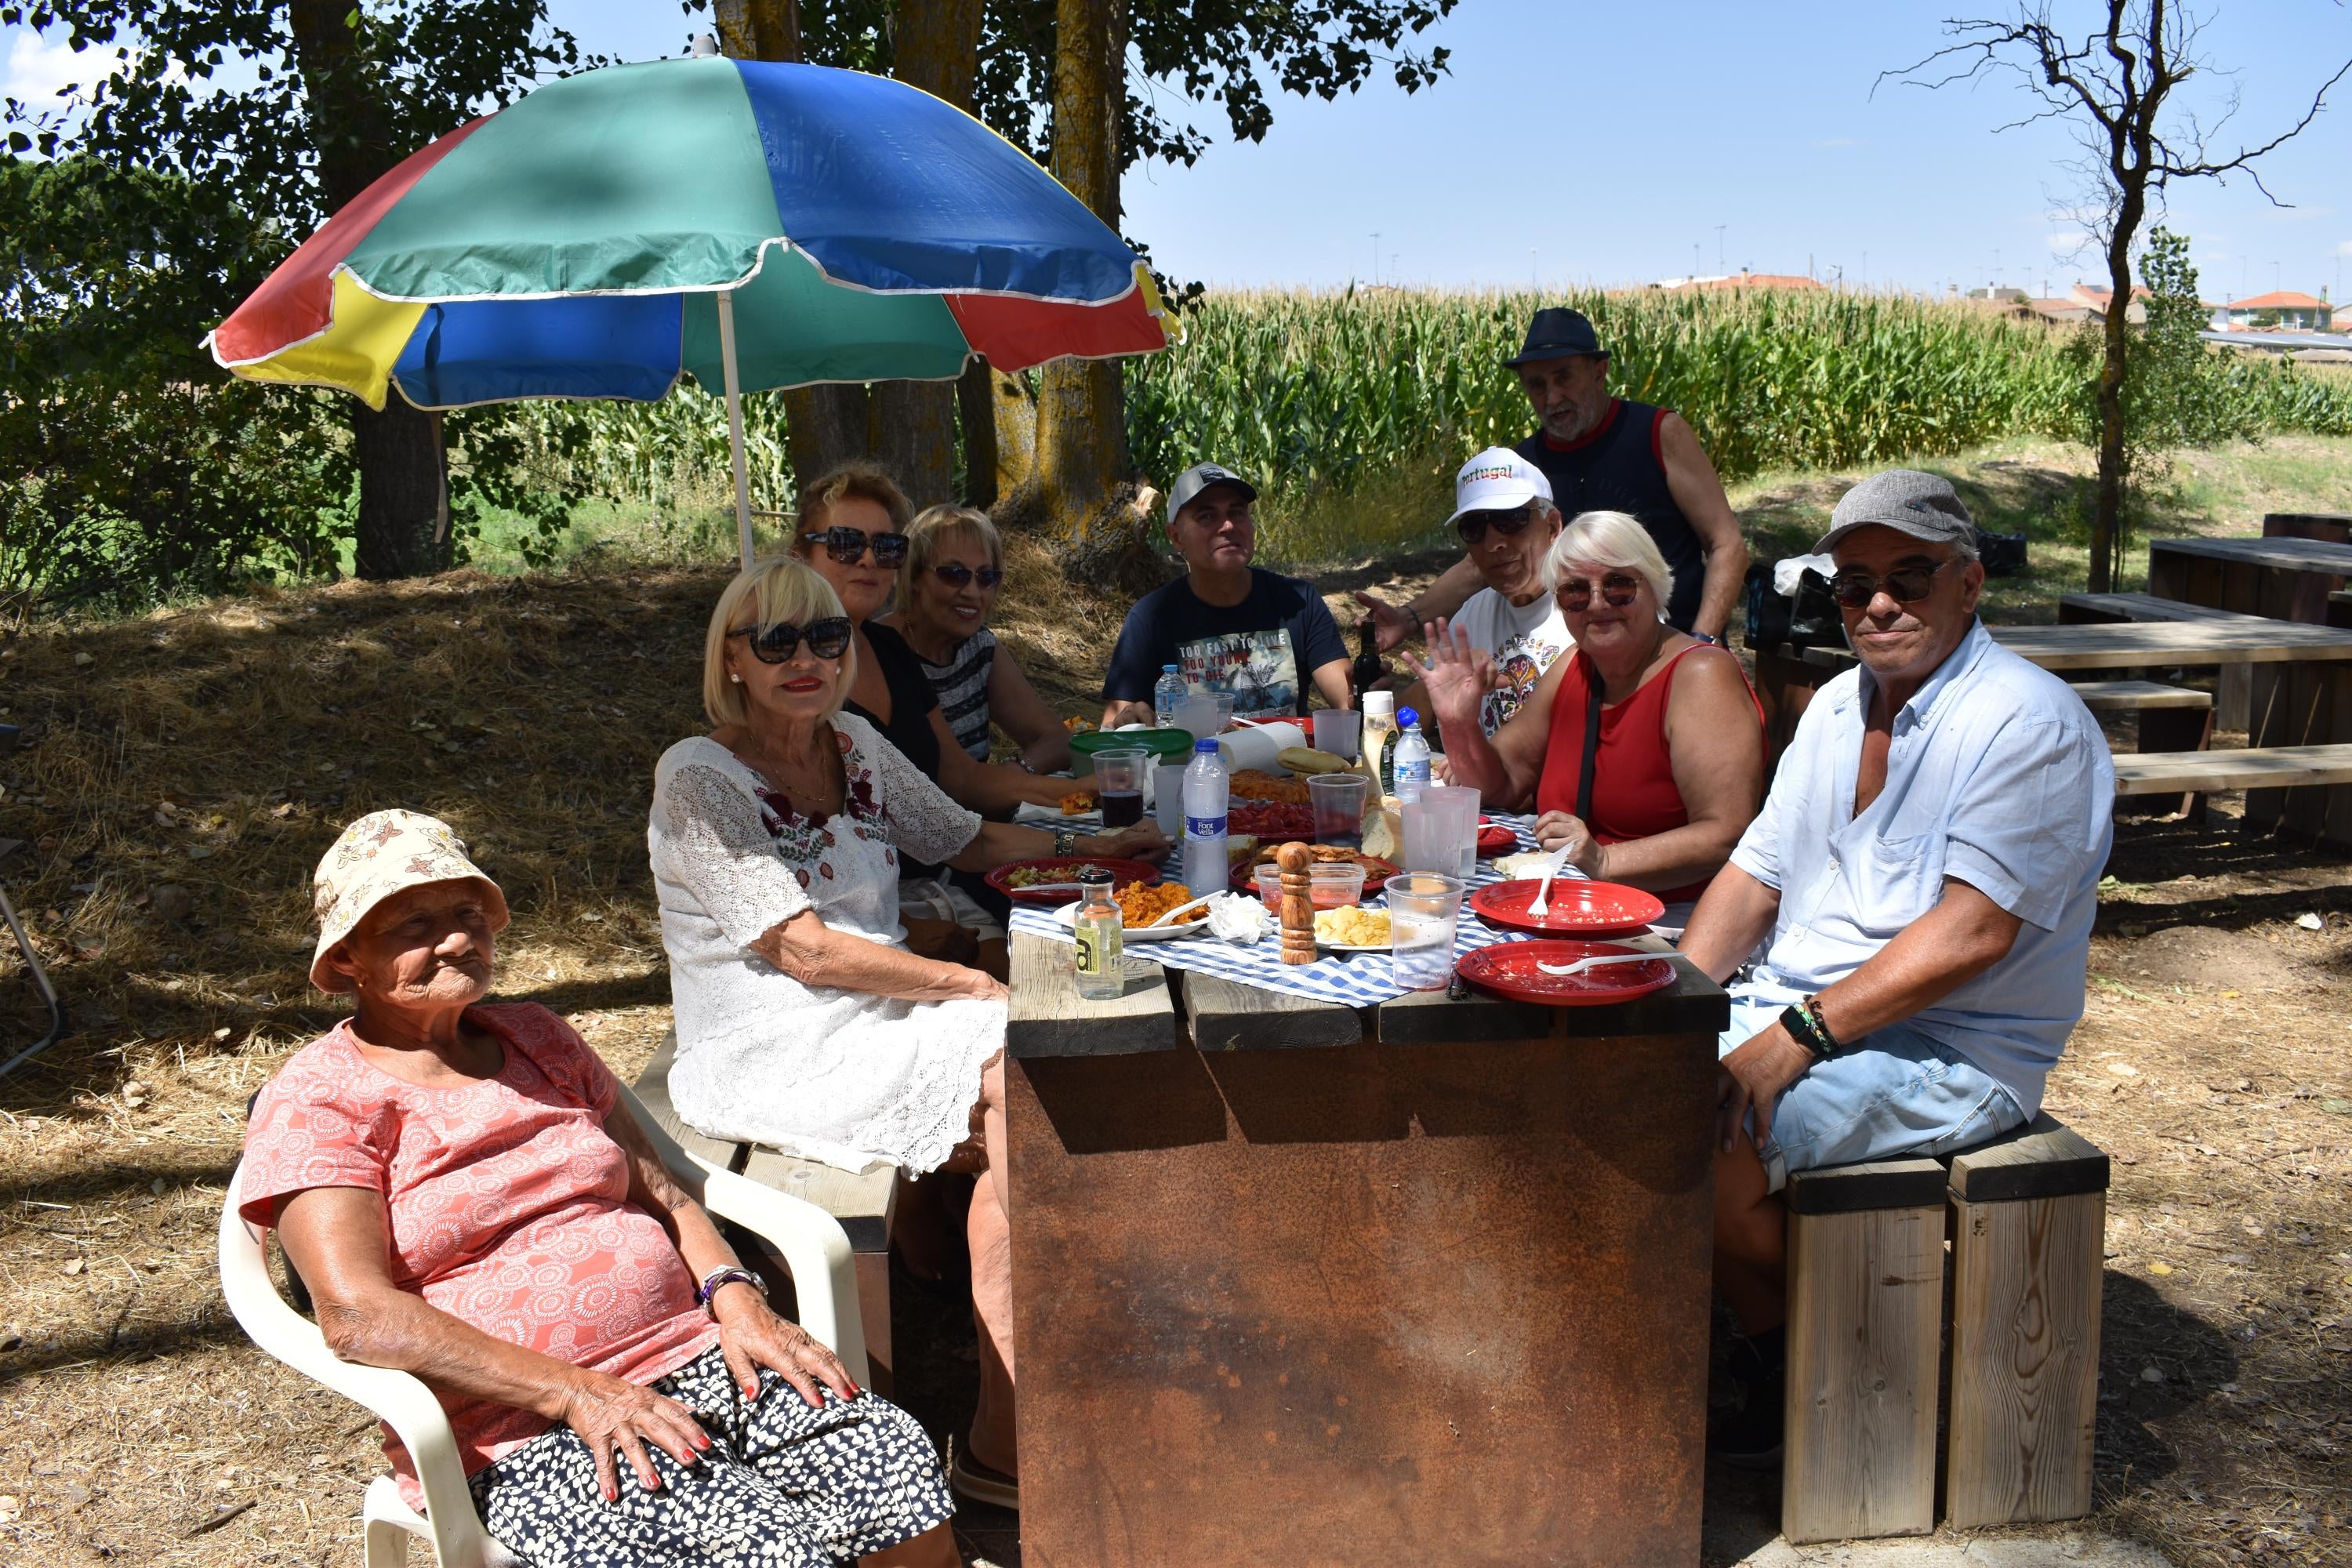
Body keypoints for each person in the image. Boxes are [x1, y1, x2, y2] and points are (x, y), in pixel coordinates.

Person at [241, 810, 960, 1568]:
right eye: (414, 925)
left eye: (467, 914)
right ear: (349, 958)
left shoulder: (537, 1037)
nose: (456, 939)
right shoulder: (319, 1100)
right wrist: (575, 1392)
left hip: (698, 1354)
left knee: (888, 1466)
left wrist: (738, 1297)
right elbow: (358, 1317)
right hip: (524, 1426)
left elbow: (668, 1192)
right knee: (759, 1549)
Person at [652, 554, 1164, 1510]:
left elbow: (964, 836)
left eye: (826, 635)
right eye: (776, 639)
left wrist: (1093, 849)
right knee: (1029, 1080)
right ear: (731, 658)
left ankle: (1009, 1441)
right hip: (771, 1043)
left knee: (1027, 1118)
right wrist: (964, 982)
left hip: (879, 1013)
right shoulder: (699, 777)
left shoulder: (849, 741)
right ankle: (1089, 1380)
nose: (805, 656)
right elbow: (802, 951)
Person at [1679, 470, 2113, 1464]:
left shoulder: (2025, 722)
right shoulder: (1836, 704)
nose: (1877, 603)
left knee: (1717, 1140)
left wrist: (1790, 1040)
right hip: (1803, 1008)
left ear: (1969, 582)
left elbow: (1972, 933)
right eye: (1853, 582)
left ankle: (1820, 1381)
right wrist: (1678, 1008)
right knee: (1627, 1083)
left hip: (1951, 1043)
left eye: (1908, 577)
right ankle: (1755, 1333)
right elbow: (1755, 874)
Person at [1408, 510, 1766, 920]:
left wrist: (1605, 861)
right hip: (1569, 904)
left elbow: (1726, 834)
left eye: (1618, 585)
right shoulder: (1576, 665)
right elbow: (1500, 784)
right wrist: (1458, 724)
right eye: (1576, 592)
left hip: (1670, 921)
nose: (1597, 604)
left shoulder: (1701, 676)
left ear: (1654, 586)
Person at [794, 463, 1081, 967]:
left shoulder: (887, 648)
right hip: (858, 917)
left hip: (938, 878)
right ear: (802, 553)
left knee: (1065, 955)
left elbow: (961, 779)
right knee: (1046, 971)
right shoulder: (792, 672)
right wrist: (899, 929)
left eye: (885, 547)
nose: (868, 560)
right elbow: (788, 847)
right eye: (845, 543)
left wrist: (1096, 804)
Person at [1358, 307, 1748, 646]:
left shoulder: (1658, 433)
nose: (1551, 397)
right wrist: (1408, 619)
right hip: (1582, 658)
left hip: (1675, 643)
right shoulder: (1525, 464)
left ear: (1599, 372)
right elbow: (1482, 563)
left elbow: (1725, 542)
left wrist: (1704, 641)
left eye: (1564, 378)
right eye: (1536, 385)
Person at [1099, 462, 1352, 725]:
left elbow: (1350, 704)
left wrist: (1372, 692)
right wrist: (1128, 721)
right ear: (1175, 537)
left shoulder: (1298, 601)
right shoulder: (1150, 618)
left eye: (1237, 512)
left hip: (1288, 764)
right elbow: (1113, 728)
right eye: (1207, 516)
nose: (1228, 525)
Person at [1389, 447, 1573, 739]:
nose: (1493, 543)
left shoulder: (1596, 608)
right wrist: (1432, 690)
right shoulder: (1472, 615)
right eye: (1474, 528)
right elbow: (1394, 728)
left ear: (1552, 527)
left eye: (1511, 519)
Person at [878, 503, 1073, 773]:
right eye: (954, 574)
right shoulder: (880, 650)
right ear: (914, 577)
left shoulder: (978, 647)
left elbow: (1057, 739)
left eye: (986, 577)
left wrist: (1015, 772)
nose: (973, 592)